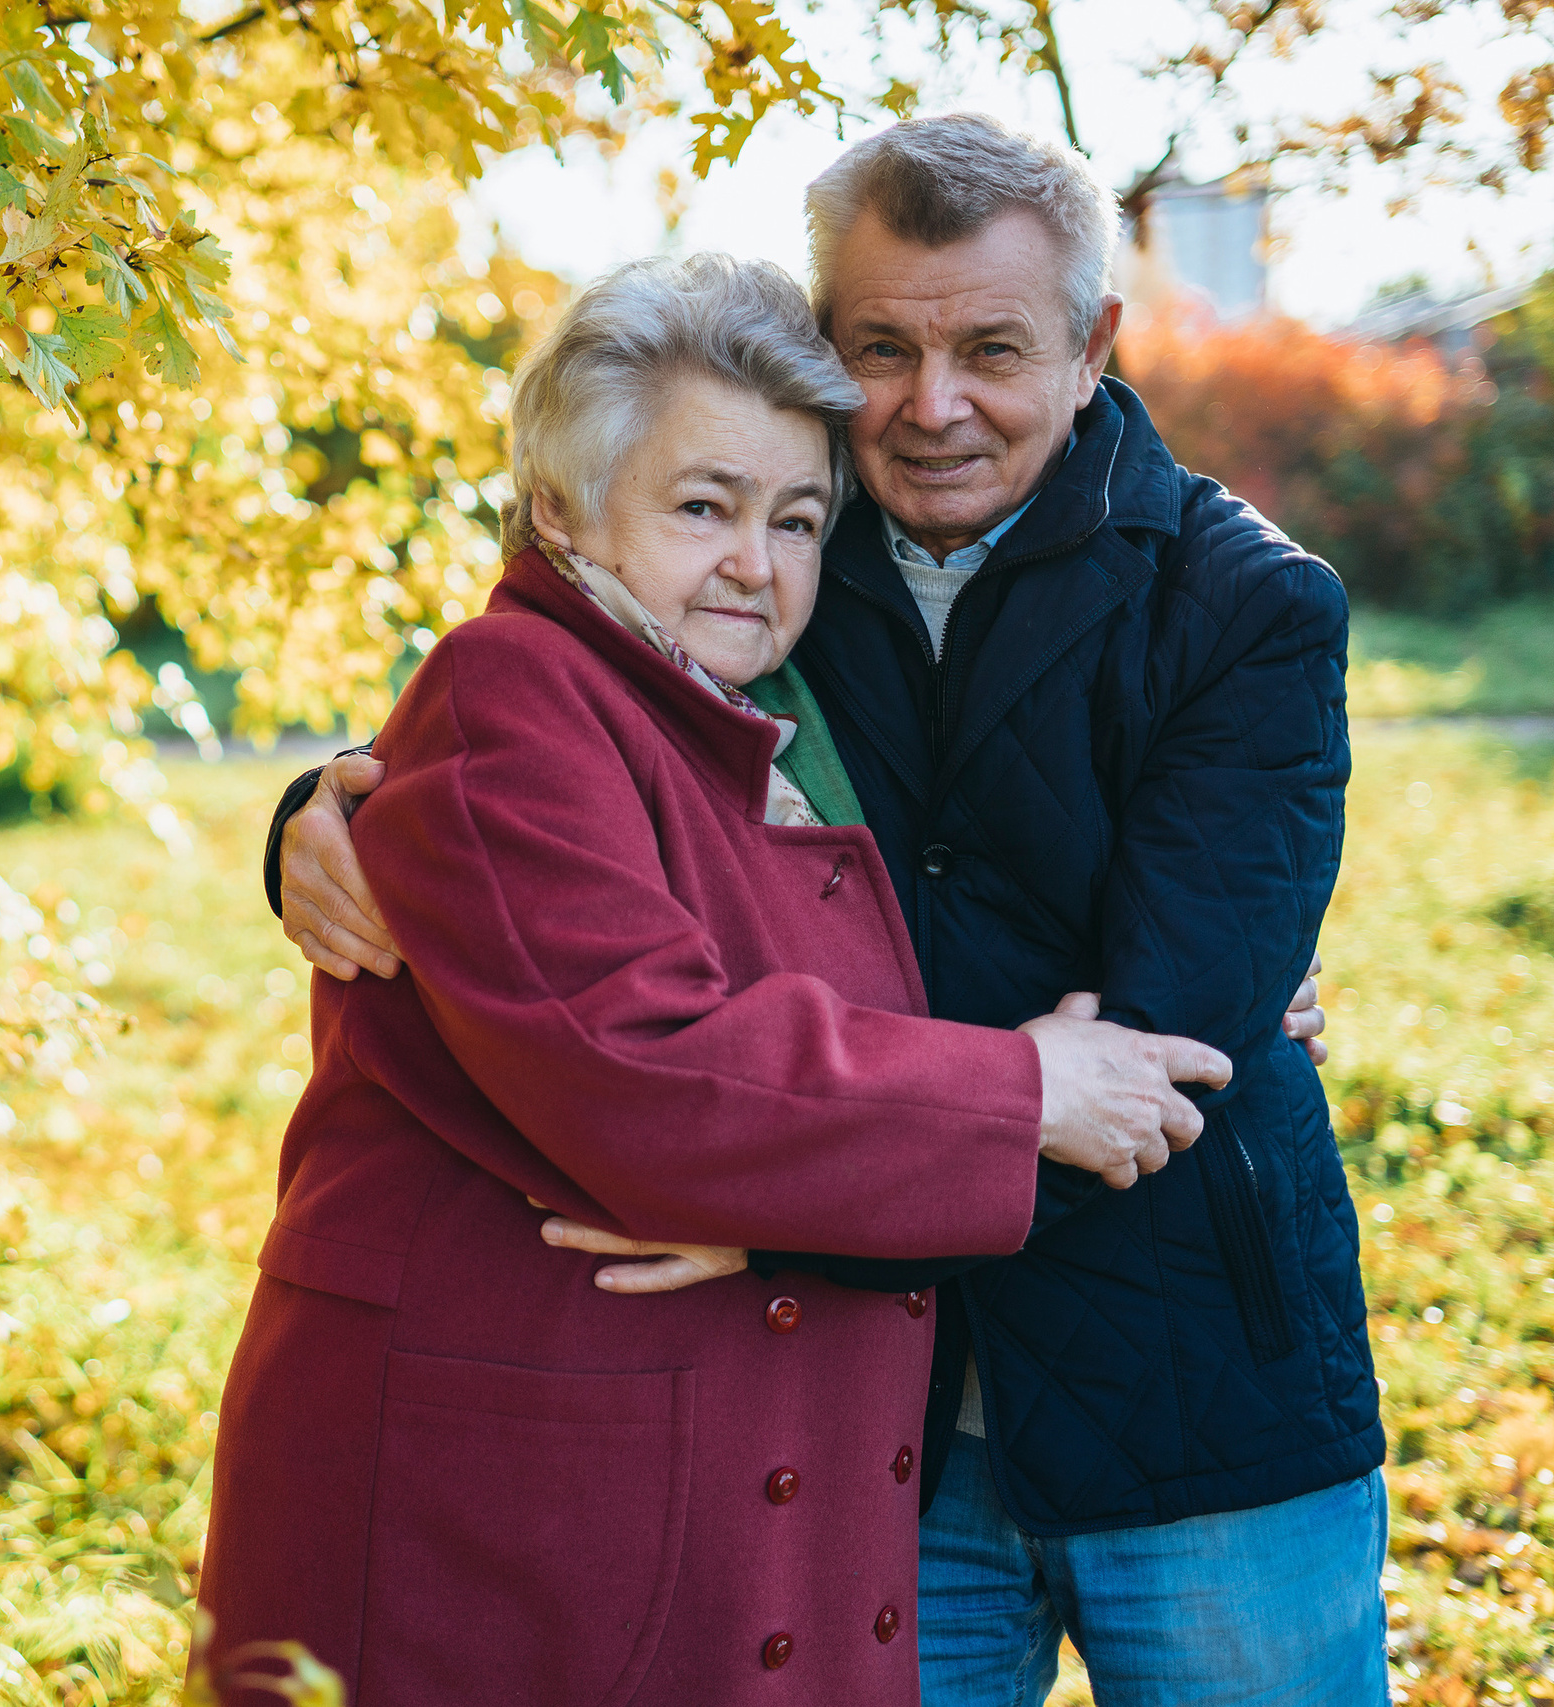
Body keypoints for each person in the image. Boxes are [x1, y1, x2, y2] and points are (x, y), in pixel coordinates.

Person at [264, 114, 1381, 1706]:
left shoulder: (1248, 602)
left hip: (1188, 1382)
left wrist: (776, 1208)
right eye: (883, 351)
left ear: (1091, 348)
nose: (934, 406)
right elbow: (543, 722)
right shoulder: (785, 540)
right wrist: (325, 807)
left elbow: (1159, 1058)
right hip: (875, 1434)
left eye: (993, 350)